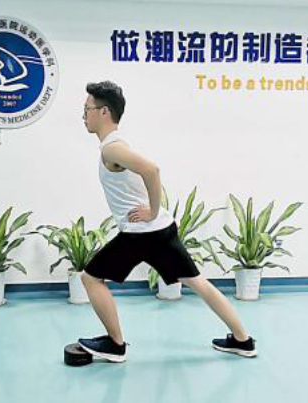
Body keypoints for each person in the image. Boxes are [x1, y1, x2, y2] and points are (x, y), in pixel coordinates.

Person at [78, 81, 257, 362]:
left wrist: (151, 211)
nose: (83, 115)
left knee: (90, 278)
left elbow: (152, 170)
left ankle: (115, 345)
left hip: (140, 234)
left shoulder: (111, 148)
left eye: (87, 109)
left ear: (104, 112)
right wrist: (154, 213)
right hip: (161, 230)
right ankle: (243, 340)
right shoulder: (117, 144)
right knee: (198, 282)